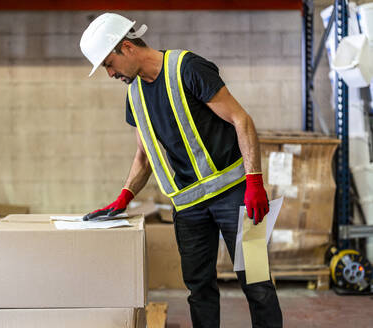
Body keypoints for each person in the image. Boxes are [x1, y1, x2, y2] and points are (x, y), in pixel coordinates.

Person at [79, 13, 283, 328]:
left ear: (128, 47)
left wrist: (254, 182)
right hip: (189, 207)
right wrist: (124, 196)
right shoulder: (134, 95)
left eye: (108, 63)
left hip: (237, 196)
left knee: (257, 282)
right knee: (199, 289)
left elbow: (241, 120)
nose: (109, 74)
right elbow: (144, 155)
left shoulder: (188, 67)